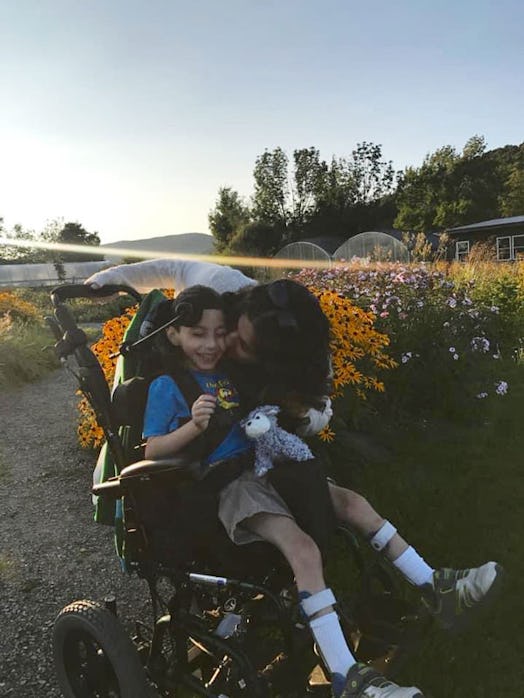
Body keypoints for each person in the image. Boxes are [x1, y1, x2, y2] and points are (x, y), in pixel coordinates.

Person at [88, 260, 503, 698]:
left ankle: (435, 586)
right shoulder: (188, 354)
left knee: (351, 503)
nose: (218, 342)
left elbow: (308, 409)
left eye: (228, 338)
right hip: (222, 486)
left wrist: (288, 417)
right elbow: (152, 446)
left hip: (259, 467)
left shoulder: (263, 363)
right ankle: (348, 677)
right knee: (303, 549)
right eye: (205, 333)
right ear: (177, 333)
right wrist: (110, 279)